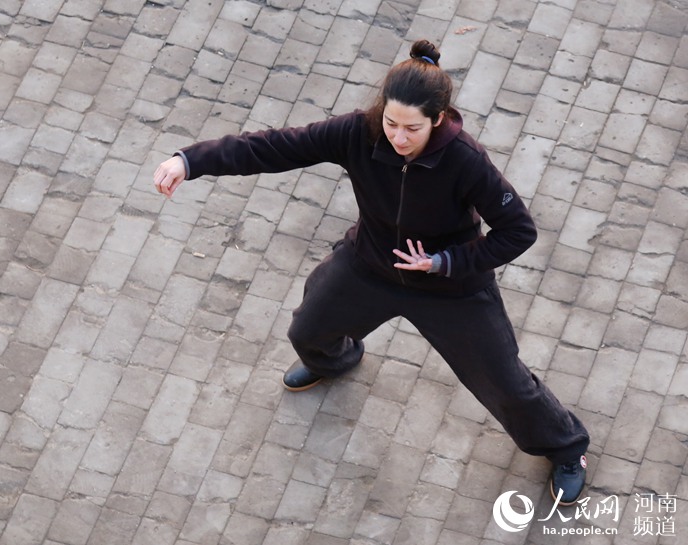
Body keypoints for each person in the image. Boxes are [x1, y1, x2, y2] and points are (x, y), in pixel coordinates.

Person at [153, 39, 590, 506]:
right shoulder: (359, 133)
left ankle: (566, 450)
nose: (398, 138)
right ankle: (337, 360)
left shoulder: (466, 160)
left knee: (505, 383)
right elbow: (277, 147)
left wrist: (446, 262)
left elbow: (517, 231)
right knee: (308, 330)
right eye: (391, 123)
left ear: (439, 119)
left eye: (412, 129)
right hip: (371, 264)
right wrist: (190, 160)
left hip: (450, 288)